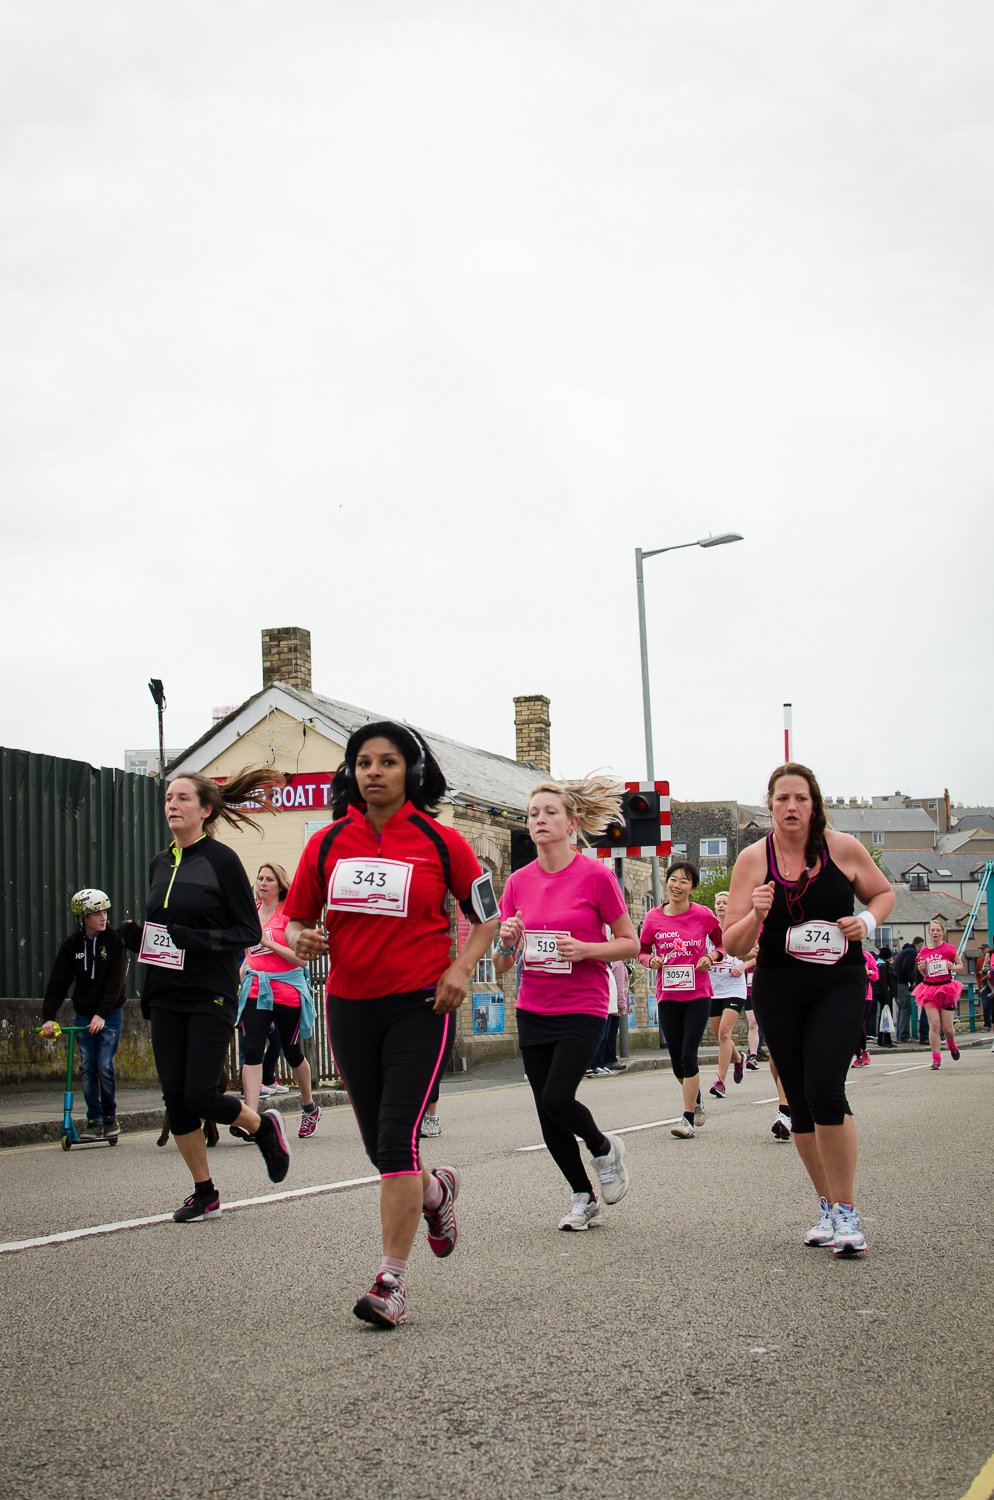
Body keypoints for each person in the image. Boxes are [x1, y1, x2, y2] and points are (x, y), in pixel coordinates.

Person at [284, 722, 497, 1329]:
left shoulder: (441, 841)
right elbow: (294, 919)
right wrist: (303, 938)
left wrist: (460, 966)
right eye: (363, 762)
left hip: (420, 1006)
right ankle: (435, 1193)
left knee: (398, 1137)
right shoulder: (325, 845)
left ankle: (389, 1282)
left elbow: (486, 917)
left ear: (412, 772)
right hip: (350, 1005)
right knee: (382, 1149)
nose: (373, 772)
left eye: (388, 762)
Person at [723, 763, 894, 1257]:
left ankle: (847, 1210)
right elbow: (733, 945)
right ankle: (826, 1206)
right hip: (779, 986)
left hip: (838, 983)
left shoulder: (843, 849)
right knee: (798, 1099)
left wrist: (865, 919)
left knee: (825, 1088)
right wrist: (757, 913)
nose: (791, 807)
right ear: (770, 805)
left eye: (800, 798)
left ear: (814, 804)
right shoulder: (754, 861)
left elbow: (883, 893)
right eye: (782, 799)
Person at [119, 769, 292, 1223]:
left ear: (205, 809)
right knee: (175, 1098)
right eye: (167, 798)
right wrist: (137, 937)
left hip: (210, 993)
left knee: (200, 1094)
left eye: (182, 798)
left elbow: (246, 931)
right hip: (164, 992)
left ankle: (261, 1126)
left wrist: (188, 939)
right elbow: (165, 934)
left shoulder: (222, 861)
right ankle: (205, 1191)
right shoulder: (160, 863)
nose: (171, 805)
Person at [494, 776, 639, 1230]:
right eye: (533, 813)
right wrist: (506, 942)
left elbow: (630, 943)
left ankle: (602, 1148)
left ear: (572, 823)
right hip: (533, 1005)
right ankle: (583, 1196)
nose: (539, 820)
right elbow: (501, 965)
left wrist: (586, 950)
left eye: (549, 812)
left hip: (583, 1003)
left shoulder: (595, 876)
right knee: (546, 1109)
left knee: (558, 1096)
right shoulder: (517, 882)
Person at [639, 861, 723, 1138]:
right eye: (673, 879)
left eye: (684, 881)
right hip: (668, 996)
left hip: (698, 995)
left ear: (693, 888)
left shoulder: (704, 915)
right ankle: (695, 1097)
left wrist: (710, 957)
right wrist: (650, 960)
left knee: (689, 1056)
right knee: (677, 1062)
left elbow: (722, 945)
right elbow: (641, 950)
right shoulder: (653, 918)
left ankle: (687, 1119)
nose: (677, 885)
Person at [238, 862, 320, 1139]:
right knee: (252, 1051)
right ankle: (250, 1118)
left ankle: (309, 1107)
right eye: (259, 878)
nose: (262, 883)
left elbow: (302, 959)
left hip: (287, 990)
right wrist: (243, 973)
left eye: (268, 879)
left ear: (280, 885)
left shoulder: (289, 916)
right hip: (256, 990)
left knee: (292, 1052)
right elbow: (250, 954)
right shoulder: (250, 913)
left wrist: (268, 941)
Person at [41, 889, 128, 1140]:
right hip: (83, 1015)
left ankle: (110, 1118)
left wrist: (101, 1014)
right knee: (87, 1067)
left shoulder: (114, 940)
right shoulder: (71, 946)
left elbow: (116, 983)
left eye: (105, 911)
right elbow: (58, 984)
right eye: (96, 913)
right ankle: (94, 1121)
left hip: (108, 1016)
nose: (103, 917)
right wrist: (49, 1017)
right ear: (82, 917)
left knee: (104, 1066)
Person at [707, 889, 753, 1098]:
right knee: (720, 1037)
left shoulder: (740, 928)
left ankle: (720, 1082)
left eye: (725, 902)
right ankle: (738, 1058)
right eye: (719, 903)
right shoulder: (708, 929)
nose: (721, 906)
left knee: (725, 1033)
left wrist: (743, 967)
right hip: (713, 988)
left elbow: (757, 953)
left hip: (734, 987)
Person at [912, 917, 964, 1070]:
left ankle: (951, 1044)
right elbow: (921, 969)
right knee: (934, 1024)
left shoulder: (949, 949)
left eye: (938, 930)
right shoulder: (924, 950)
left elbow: (960, 965)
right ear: (929, 933)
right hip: (929, 989)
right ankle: (936, 1058)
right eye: (933, 930)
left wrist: (952, 967)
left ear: (943, 933)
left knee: (947, 1029)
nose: (935, 933)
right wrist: (922, 968)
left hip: (946, 988)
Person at [852, 949, 879, 1068]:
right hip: (847, 996)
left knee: (858, 1025)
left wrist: (869, 972)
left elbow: (876, 975)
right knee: (850, 1026)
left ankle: (863, 1053)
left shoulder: (867, 956)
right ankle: (858, 1053)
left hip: (865, 996)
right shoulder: (841, 953)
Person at [893, 938, 919, 1042]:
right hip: (901, 983)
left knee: (901, 1009)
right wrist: (912, 981)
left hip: (895, 983)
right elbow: (906, 966)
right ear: (920, 945)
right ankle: (904, 1036)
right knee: (907, 1009)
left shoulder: (902, 951)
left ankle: (900, 1035)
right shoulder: (912, 952)